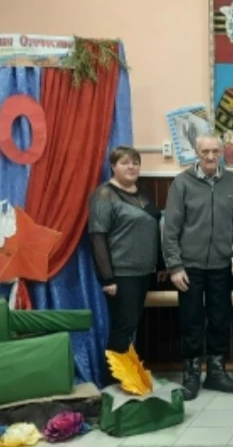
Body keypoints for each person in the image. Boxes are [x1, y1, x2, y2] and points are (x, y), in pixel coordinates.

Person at [163, 135, 233, 400]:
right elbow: (170, 229)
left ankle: (216, 371)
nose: (211, 156)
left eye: (215, 151)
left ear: (222, 152)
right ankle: (191, 373)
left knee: (220, 319)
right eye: (205, 152)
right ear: (197, 153)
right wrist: (174, 265)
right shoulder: (182, 183)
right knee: (191, 320)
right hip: (188, 266)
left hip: (222, 264)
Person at [88, 147, 166, 384]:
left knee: (131, 326)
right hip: (121, 273)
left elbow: (153, 227)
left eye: (135, 163)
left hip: (145, 271)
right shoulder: (104, 195)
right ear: (113, 166)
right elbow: (98, 237)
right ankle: (112, 383)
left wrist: (160, 264)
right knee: (123, 327)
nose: (131, 167)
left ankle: (126, 378)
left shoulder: (142, 192)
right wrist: (107, 278)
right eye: (125, 163)